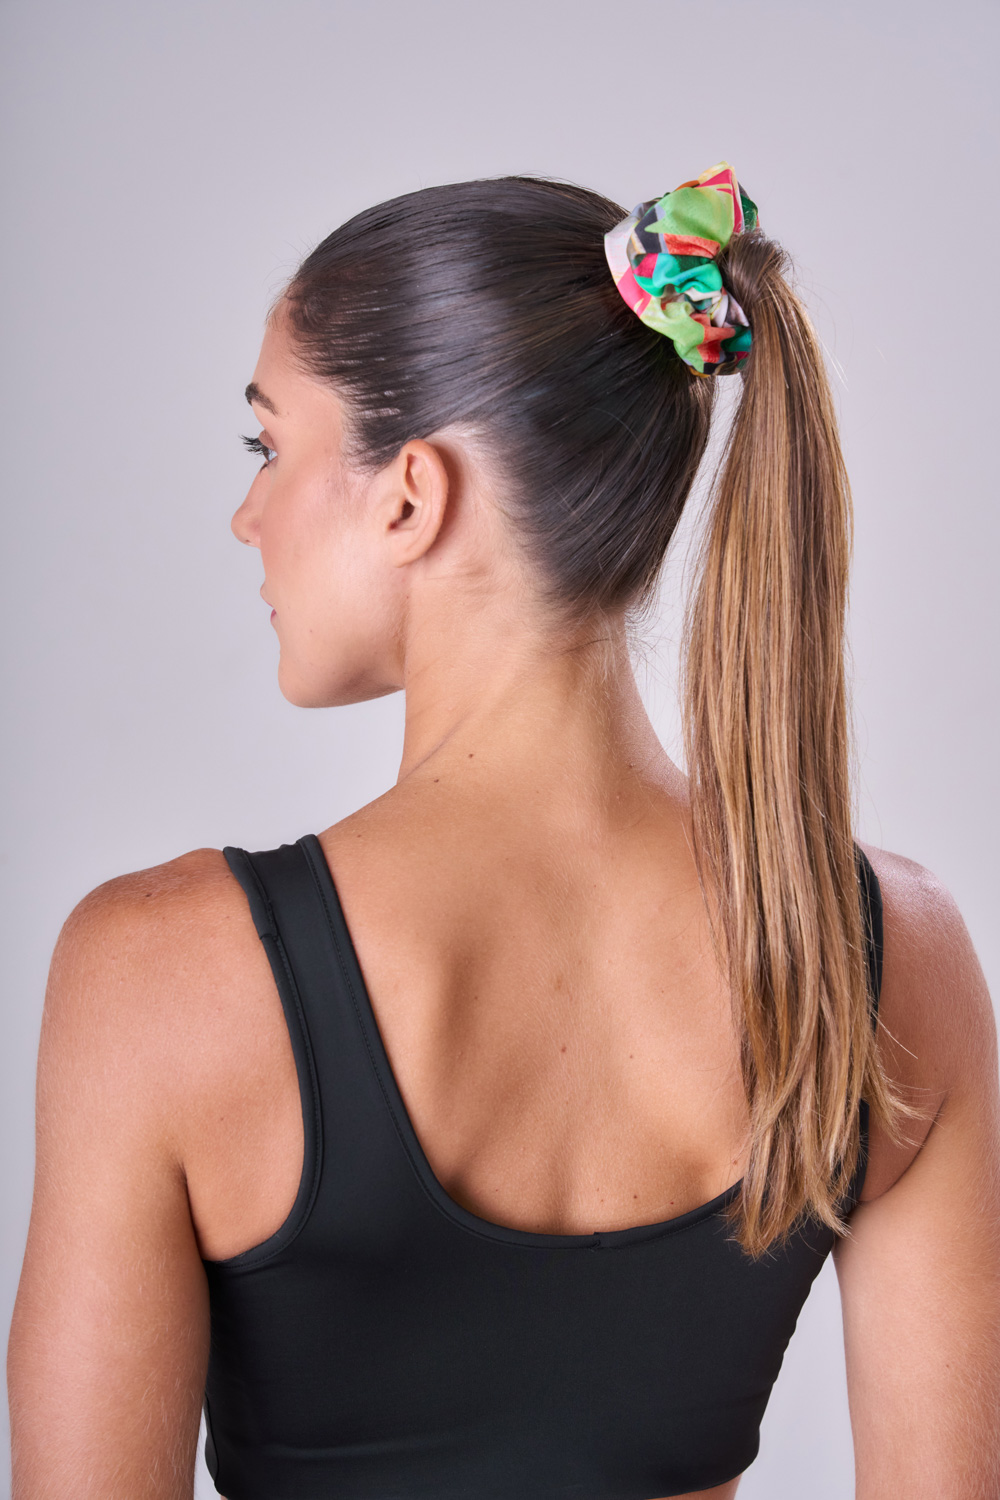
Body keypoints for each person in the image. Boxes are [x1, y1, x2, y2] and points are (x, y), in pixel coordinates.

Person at [7, 164, 999, 1500]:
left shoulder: (158, 977)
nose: (249, 518)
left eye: (269, 448)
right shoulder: (888, 956)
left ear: (410, 494)